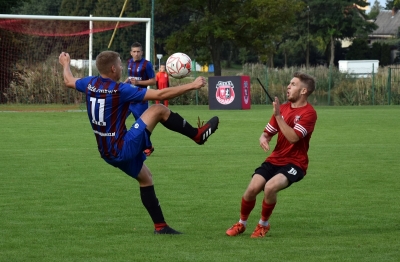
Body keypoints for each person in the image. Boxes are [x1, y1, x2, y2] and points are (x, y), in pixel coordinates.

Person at [59, 50, 219, 235]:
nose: (122, 67)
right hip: (122, 147)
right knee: (158, 109)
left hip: (107, 153)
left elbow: (68, 80)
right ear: (113, 68)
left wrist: (65, 64)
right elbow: (160, 94)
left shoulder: (90, 83)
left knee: (145, 178)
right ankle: (197, 135)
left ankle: (161, 226)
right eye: (119, 64)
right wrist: (192, 85)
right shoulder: (120, 90)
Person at [225, 72, 317, 238]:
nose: (288, 87)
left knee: (270, 187)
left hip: (295, 163)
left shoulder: (309, 113)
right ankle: (242, 223)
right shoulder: (282, 109)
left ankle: (263, 225)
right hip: (275, 159)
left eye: (293, 84)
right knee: (252, 189)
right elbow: (267, 133)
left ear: (303, 91)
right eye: (289, 83)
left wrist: (278, 116)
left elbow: (293, 137)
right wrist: (263, 138)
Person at [124, 42, 156, 156]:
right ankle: (121, 143)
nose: (136, 54)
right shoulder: (129, 62)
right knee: (118, 119)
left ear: (142, 52)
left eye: (138, 51)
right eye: (134, 51)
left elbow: (153, 81)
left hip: (140, 100)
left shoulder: (146, 64)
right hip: (128, 99)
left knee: (142, 125)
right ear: (131, 52)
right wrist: (122, 85)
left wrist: (138, 82)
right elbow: (130, 77)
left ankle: (148, 146)